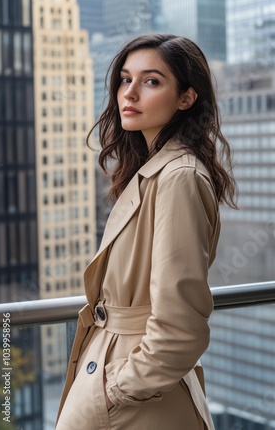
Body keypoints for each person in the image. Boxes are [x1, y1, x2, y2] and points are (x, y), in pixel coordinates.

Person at [55, 33, 237, 430]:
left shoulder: (179, 177)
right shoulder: (154, 170)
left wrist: (115, 389)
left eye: (151, 81)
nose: (130, 93)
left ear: (186, 98)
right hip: (116, 373)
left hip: (133, 395)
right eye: (124, 79)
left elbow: (180, 324)